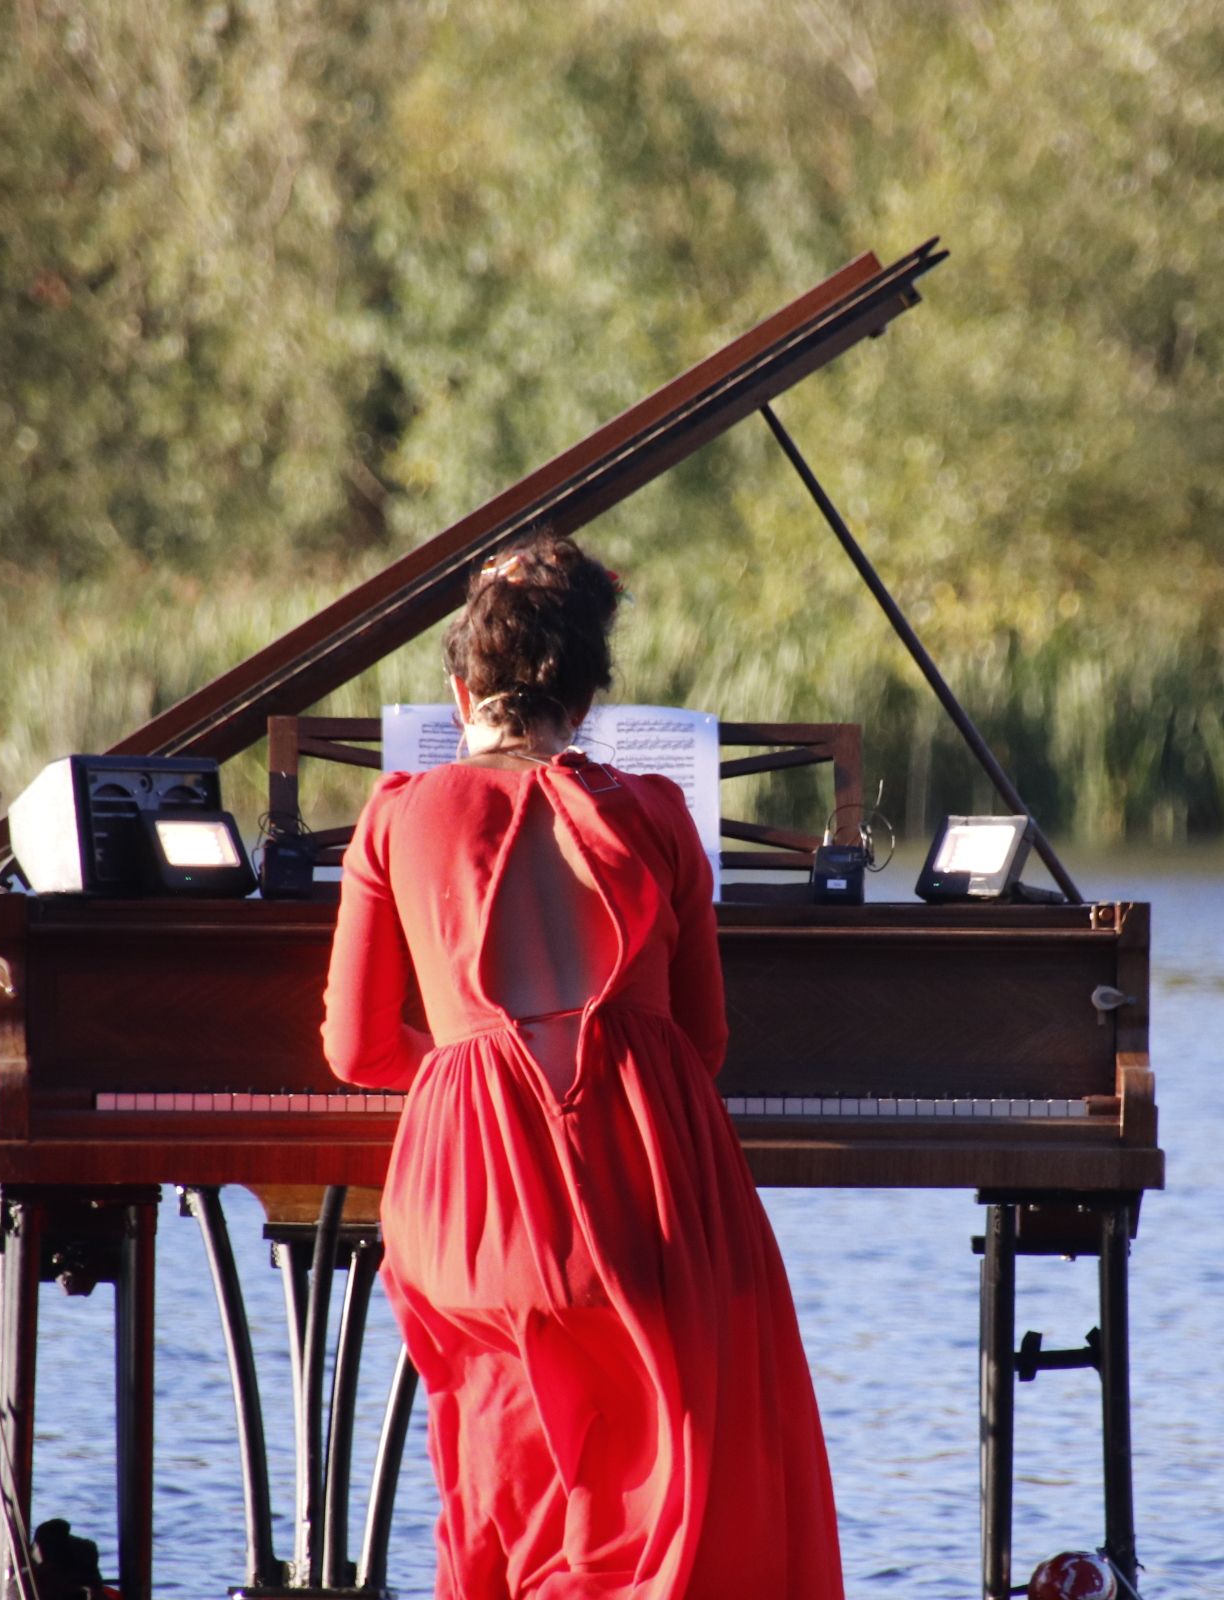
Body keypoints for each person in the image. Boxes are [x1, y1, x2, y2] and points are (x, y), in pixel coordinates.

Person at [322, 532, 844, 1600]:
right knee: (676, 1459)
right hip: (647, 1185)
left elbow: (356, 1047)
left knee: (503, 1477)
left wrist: (475, 1063)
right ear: (590, 697)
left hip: (472, 1207)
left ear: (461, 687)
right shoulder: (658, 816)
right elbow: (702, 1043)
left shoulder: (395, 818)